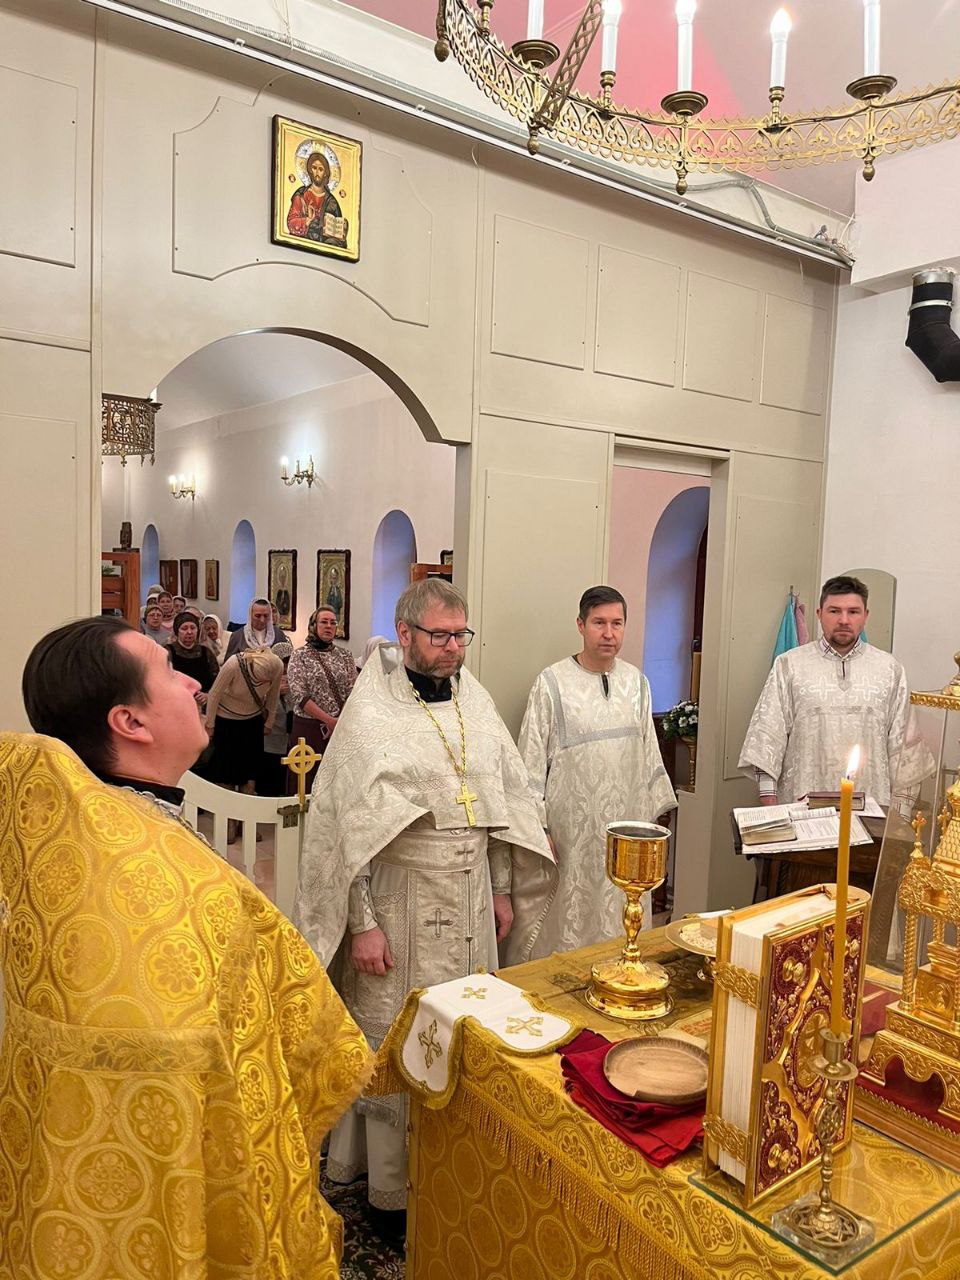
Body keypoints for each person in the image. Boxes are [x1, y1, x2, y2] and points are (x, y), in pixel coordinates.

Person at [9, 617, 371, 1277]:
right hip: (169, 1183)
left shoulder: (87, 837)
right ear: (130, 722)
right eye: (168, 672)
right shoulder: (149, 883)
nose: (192, 683)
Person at [294, 579, 556, 1210]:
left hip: (470, 896)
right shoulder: (371, 714)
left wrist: (499, 887)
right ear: (404, 633)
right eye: (440, 636)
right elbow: (346, 829)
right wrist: (361, 923)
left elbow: (499, 802)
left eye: (461, 635)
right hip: (398, 898)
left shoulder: (475, 700)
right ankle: (391, 1186)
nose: (453, 648)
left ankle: (454, 1159)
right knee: (396, 1033)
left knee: (463, 1024)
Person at [518, 585, 676, 957]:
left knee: (622, 915)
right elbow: (530, 762)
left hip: (627, 830)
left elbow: (649, 753)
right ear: (581, 625)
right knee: (571, 916)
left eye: (616, 623)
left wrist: (653, 821)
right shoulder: (551, 684)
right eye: (599, 623)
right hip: (572, 833)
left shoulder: (637, 683)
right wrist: (539, 828)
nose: (608, 633)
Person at [739, 574, 923, 805]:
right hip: (802, 809)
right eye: (834, 611)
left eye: (853, 612)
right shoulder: (789, 665)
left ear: (865, 615)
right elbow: (766, 741)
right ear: (819, 614)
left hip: (871, 810)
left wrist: (899, 818)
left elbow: (905, 753)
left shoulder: (890, 670)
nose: (844, 620)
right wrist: (772, 810)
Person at [205, 647, 284, 817]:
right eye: (260, 680)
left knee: (250, 772)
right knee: (226, 772)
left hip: (252, 722)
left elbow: (273, 694)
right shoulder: (234, 664)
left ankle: (246, 819)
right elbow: (214, 694)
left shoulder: (277, 665)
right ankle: (227, 819)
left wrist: (269, 722)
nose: (264, 683)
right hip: (226, 721)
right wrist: (210, 724)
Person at [286, 607, 357, 790]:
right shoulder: (300, 655)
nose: (329, 626)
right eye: (324, 622)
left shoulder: (345, 656)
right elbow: (300, 695)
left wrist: (338, 721)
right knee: (305, 782)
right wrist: (329, 721)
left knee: (335, 783)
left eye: (333, 622)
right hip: (309, 728)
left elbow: (353, 691)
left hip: (340, 727)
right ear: (313, 625)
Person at [287, 150, 348, 247]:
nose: (317, 172)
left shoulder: (332, 202)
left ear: (325, 173)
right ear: (310, 170)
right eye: (314, 168)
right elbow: (291, 223)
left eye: (320, 169)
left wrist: (342, 231)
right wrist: (307, 220)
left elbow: (338, 234)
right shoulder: (301, 195)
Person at [258, 640, 295, 796]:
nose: (285, 669)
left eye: (288, 664)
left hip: (289, 741)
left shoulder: (296, 678)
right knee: (268, 784)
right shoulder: (262, 677)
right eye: (283, 664)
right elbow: (256, 704)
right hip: (269, 740)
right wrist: (275, 692)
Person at [167, 609, 219, 705]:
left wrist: (208, 695)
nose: (189, 632)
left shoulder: (206, 652)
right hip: (176, 702)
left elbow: (217, 680)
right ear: (177, 631)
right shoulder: (167, 651)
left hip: (203, 703)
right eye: (184, 628)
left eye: (193, 628)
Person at [224, 596, 289, 661]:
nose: (262, 620)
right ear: (250, 615)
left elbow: (287, 661)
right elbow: (228, 663)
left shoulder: (278, 634)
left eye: (266, 616)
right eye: (258, 616)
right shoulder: (237, 636)